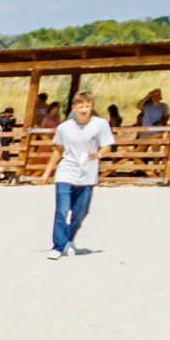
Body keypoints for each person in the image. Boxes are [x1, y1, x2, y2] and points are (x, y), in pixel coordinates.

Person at [49, 90, 114, 259]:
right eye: (80, 107)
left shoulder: (101, 124)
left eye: (87, 106)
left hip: (87, 174)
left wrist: (99, 154)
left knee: (81, 212)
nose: (84, 110)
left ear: (92, 106)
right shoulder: (64, 127)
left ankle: (69, 239)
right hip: (66, 172)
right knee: (62, 211)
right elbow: (58, 150)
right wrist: (48, 171)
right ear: (74, 108)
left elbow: (107, 146)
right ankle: (58, 246)